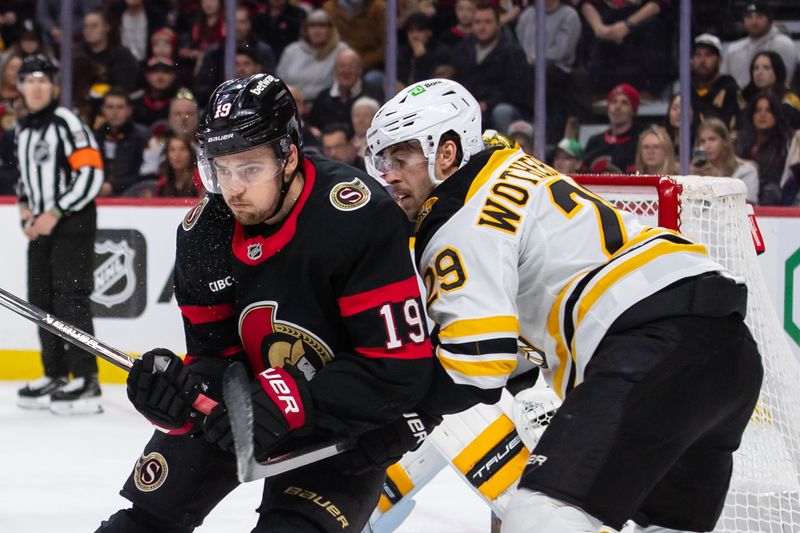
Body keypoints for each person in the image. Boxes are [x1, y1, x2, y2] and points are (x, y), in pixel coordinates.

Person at [366, 78, 762, 532]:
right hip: (729, 353)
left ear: (448, 152)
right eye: (383, 160)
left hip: (650, 348)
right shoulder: (507, 159)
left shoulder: (456, 222)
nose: (389, 174)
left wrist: (396, 422)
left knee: (537, 518)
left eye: (401, 158)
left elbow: (475, 370)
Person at [96, 73, 434, 532]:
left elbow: (399, 369)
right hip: (249, 407)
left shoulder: (357, 218)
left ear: (289, 156)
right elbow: (215, 358)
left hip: (341, 424)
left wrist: (294, 399)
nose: (232, 188)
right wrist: (176, 398)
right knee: (138, 526)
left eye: (250, 168)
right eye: (221, 167)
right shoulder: (204, 233)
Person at [14, 55, 105, 415]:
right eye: (28, 79)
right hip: (42, 225)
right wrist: (25, 209)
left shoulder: (67, 122)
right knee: (39, 300)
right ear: (19, 86)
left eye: (42, 79)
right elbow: (24, 179)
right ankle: (54, 373)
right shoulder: (23, 128)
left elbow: (90, 174)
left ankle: (87, 379)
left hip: (73, 220)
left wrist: (54, 212)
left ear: (52, 85)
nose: (35, 86)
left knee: (70, 297)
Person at [448, 1, 533, 133]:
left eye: (488, 22)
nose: (482, 27)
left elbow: (515, 91)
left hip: (504, 109)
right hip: (470, 108)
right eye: (478, 22)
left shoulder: (512, 52)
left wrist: (487, 104)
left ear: (498, 24)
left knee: (502, 111)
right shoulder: (463, 50)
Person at [276, 9, 349, 102]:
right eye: (312, 26)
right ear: (305, 30)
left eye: (322, 26)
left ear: (330, 29)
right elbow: (280, 81)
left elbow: (341, 85)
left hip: (327, 104)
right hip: (291, 103)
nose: (317, 31)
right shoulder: (291, 50)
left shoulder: (341, 51)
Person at [735, 90, 794, 205]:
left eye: (768, 110)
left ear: (776, 115)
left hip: (771, 198)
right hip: (741, 194)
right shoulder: (741, 142)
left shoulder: (785, 144)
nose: (762, 115)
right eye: (758, 110)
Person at [722, 0, 796, 91]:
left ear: (769, 19)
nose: (754, 22)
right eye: (749, 17)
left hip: (773, 100)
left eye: (759, 16)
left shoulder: (783, 44)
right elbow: (723, 81)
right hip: (737, 100)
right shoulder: (733, 48)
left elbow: (783, 82)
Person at [94, 87, 150, 196]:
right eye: (110, 107)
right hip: (99, 196)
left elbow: (146, 173)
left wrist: (113, 185)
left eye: (120, 107)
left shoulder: (142, 137)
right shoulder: (94, 137)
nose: (114, 112)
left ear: (129, 110)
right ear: (102, 110)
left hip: (134, 196)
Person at [692, 117, 759, 205]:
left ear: (725, 142)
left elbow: (747, 205)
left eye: (712, 139)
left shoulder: (747, 171)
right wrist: (691, 181)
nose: (707, 146)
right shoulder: (698, 172)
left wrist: (715, 180)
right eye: (702, 141)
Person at [581, 82, 641, 173]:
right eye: (614, 102)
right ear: (608, 107)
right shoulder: (594, 142)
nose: (617, 107)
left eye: (624, 103)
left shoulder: (640, 142)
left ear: (634, 110)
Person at [688, 32, 742, 132]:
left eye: (708, 55)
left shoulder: (731, 89)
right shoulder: (687, 90)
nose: (702, 61)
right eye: (698, 55)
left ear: (720, 59)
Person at [741, 51, 800, 129]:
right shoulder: (746, 98)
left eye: (766, 68)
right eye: (756, 68)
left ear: (777, 72)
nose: (759, 73)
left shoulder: (789, 98)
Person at [155, 133, 199, 197]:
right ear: (167, 155)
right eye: (172, 150)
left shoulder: (201, 182)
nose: (177, 154)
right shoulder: (162, 185)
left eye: (182, 149)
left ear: (190, 153)